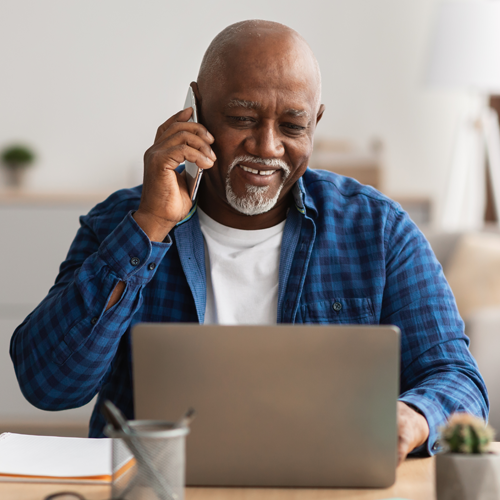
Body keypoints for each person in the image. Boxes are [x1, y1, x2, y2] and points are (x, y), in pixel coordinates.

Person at [10, 20, 487, 465]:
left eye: (293, 126)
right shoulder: (121, 222)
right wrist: (151, 225)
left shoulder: (377, 230)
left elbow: (458, 380)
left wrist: (414, 417)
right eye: (242, 118)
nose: (267, 146)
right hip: (157, 487)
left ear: (315, 122)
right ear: (194, 110)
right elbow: (48, 385)